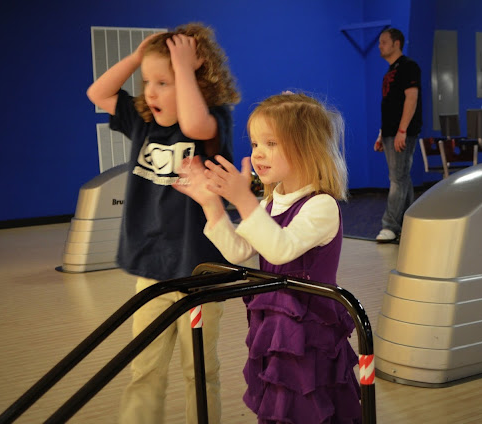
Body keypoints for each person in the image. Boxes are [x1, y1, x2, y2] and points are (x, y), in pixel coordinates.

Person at [174, 92, 361, 424]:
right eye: (255, 143)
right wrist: (211, 204)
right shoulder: (270, 204)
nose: (258, 153)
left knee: (309, 406)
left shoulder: (321, 206)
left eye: (271, 143)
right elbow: (238, 251)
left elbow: (280, 249)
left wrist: (243, 200)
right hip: (274, 326)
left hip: (310, 330)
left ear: (306, 147)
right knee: (279, 405)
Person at [86, 22, 240, 424]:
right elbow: (97, 93)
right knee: (144, 368)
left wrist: (183, 68)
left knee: (199, 372)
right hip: (152, 270)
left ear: (195, 80)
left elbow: (192, 125)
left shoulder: (213, 122)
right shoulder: (143, 122)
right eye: (146, 82)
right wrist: (138, 57)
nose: (150, 92)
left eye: (163, 83)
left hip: (199, 273)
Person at [373, 27, 422, 243]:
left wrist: (402, 131)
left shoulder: (409, 67)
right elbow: (390, 106)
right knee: (402, 178)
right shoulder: (389, 71)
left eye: (384, 42)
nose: (380, 46)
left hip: (402, 133)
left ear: (396, 44)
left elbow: (411, 99)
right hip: (390, 133)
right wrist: (382, 134)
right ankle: (409, 223)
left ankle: (390, 225)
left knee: (397, 179)